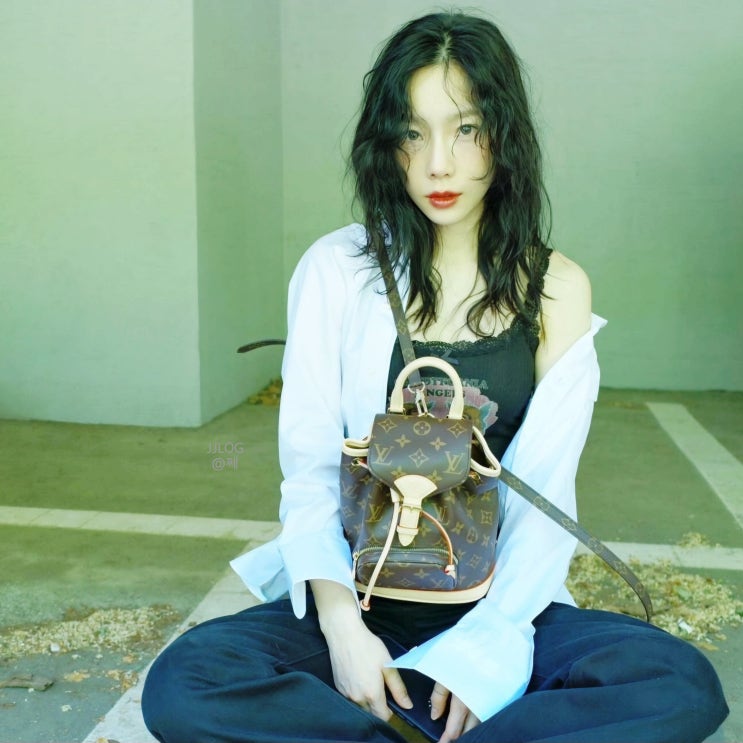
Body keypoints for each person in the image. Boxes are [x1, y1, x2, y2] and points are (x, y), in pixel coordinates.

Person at [142, 11, 728, 743]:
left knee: (677, 683)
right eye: (412, 134)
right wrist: (342, 630)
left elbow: (546, 497)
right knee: (186, 683)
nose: (438, 165)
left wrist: (487, 650)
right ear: (385, 144)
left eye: (466, 129)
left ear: (503, 136)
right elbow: (310, 474)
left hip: (498, 601)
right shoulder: (336, 270)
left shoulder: (555, 288)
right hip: (364, 596)